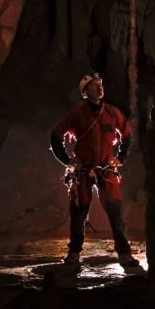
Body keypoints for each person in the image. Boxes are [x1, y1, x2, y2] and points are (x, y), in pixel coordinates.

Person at [49, 72, 139, 267]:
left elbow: (128, 135)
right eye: (94, 85)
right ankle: (74, 253)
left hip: (106, 169)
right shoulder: (77, 114)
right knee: (79, 212)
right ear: (85, 92)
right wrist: (68, 161)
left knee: (116, 211)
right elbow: (55, 136)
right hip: (83, 170)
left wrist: (120, 158)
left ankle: (124, 253)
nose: (99, 87)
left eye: (100, 83)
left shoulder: (112, 113)